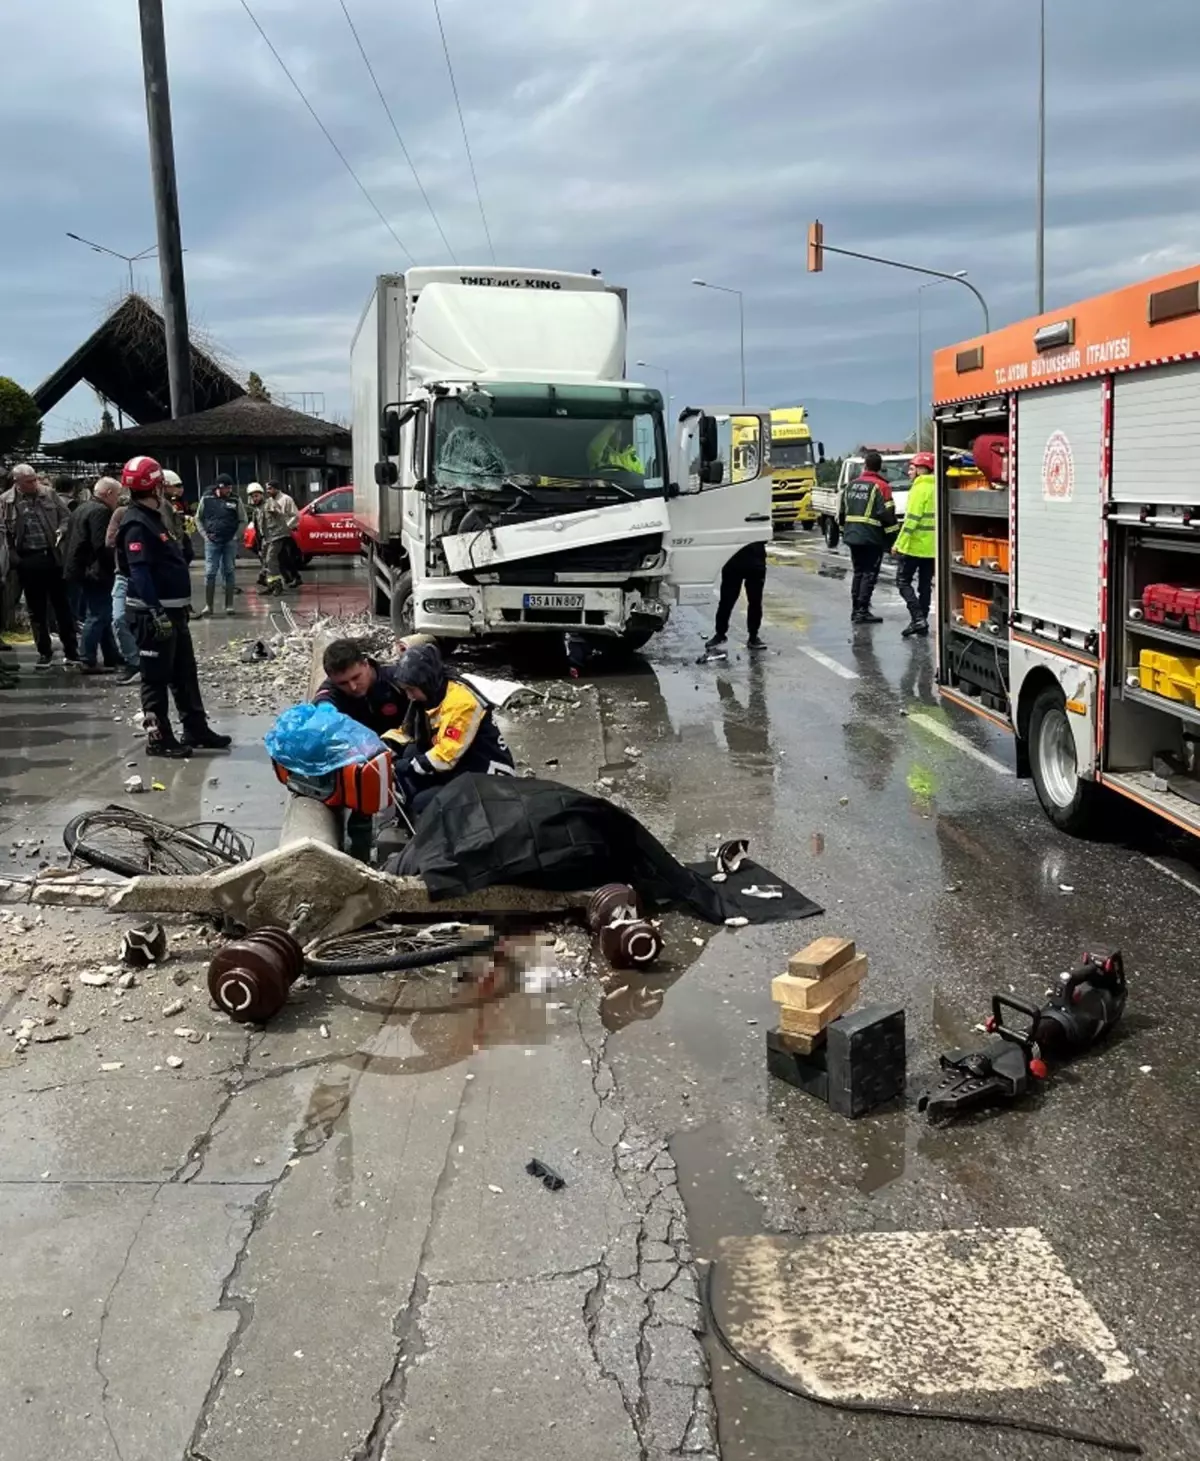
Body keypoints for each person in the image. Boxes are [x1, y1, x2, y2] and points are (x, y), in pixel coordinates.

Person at [116, 455, 231, 758]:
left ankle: (195, 728)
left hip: (174, 611)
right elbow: (139, 571)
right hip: (152, 614)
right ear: (155, 487)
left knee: (184, 673)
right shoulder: (136, 523)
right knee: (155, 678)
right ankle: (158, 738)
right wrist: (154, 611)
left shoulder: (154, 517)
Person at [384, 642, 515, 814]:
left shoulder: (461, 703)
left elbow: (445, 757)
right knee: (411, 753)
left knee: (424, 803)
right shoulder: (430, 696)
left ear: (425, 682)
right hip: (463, 765)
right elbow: (406, 732)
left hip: (487, 776)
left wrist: (405, 767)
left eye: (411, 689)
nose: (409, 696)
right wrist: (382, 750)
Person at [0, 463, 81, 669]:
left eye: (35, 479)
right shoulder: (6, 502)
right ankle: (44, 652)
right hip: (28, 559)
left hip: (52, 556)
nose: (34, 484)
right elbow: (5, 534)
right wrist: (14, 557)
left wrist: (62, 530)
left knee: (62, 606)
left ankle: (71, 651)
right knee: (36, 609)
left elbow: (66, 517)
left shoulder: (49, 494)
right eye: (28, 481)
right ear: (17, 483)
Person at [62, 476, 122, 674]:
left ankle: (112, 655)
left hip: (80, 568)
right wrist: (113, 566)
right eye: (118, 495)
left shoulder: (82, 507)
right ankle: (87, 658)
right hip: (94, 571)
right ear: (109, 493)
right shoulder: (101, 511)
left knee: (102, 614)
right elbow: (101, 544)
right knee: (97, 615)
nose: (118, 500)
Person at [839, 450, 899, 624]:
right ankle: (862, 611)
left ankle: (855, 609)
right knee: (869, 573)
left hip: (852, 536)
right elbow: (888, 515)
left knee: (858, 572)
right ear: (880, 468)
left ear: (865, 466)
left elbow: (842, 513)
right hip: (871, 537)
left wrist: (845, 531)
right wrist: (894, 540)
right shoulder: (882, 486)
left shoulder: (850, 485)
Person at [313, 637, 413, 737]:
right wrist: (322, 709)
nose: (353, 687)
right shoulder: (334, 688)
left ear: (366, 664)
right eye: (343, 683)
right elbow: (323, 697)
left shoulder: (396, 679)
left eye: (356, 677)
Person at [893, 451, 936, 638]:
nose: (909, 473)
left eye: (911, 469)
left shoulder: (919, 489)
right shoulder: (937, 487)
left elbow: (911, 520)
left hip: (915, 546)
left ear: (920, 470)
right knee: (925, 586)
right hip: (932, 548)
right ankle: (921, 623)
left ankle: (918, 617)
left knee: (902, 582)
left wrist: (898, 544)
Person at [195, 474, 245, 617]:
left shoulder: (235, 499)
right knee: (210, 572)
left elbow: (243, 519)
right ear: (219, 487)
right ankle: (208, 606)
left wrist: (236, 536)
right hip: (212, 542)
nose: (229, 490)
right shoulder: (207, 499)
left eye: (230, 487)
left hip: (229, 541)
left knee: (229, 570)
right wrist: (205, 535)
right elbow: (198, 518)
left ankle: (229, 605)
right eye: (226, 488)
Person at [706, 541, 767, 651]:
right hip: (734, 562)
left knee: (755, 602)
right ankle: (720, 634)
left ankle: (753, 636)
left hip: (755, 562)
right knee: (727, 601)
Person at [260, 480, 299, 596]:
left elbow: (295, 515)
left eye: (270, 489)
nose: (268, 491)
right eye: (267, 489)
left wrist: (287, 526)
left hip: (284, 533)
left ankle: (292, 578)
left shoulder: (286, 499)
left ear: (276, 489)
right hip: (273, 535)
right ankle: (282, 581)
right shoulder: (269, 501)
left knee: (281, 558)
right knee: (277, 559)